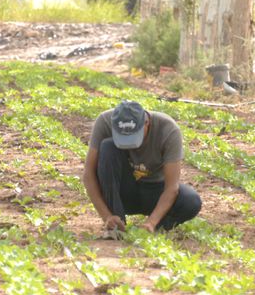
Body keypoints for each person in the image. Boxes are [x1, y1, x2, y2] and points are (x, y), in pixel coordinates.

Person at [83, 100, 202, 238]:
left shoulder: (168, 129)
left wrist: (152, 222)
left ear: (146, 123)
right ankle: (116, 225)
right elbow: (88, 175)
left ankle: (155, 228)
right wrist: (107, 216)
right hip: (124, 191)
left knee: (191, 201)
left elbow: (171, 188)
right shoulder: (104, 121)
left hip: (155, 191)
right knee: (108, 147)